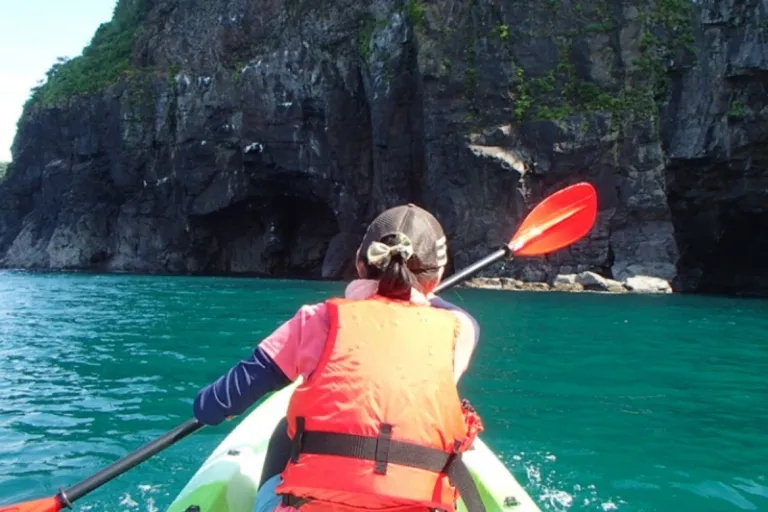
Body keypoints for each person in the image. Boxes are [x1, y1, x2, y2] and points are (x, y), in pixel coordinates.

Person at [193, 203, 486, 512]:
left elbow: (214, 406)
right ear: (436, 278)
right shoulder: (460, 331)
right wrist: (421, 295)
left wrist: (206, 408)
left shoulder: (314, 321)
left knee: (284, 432)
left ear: (360, 264)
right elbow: (457, 316)